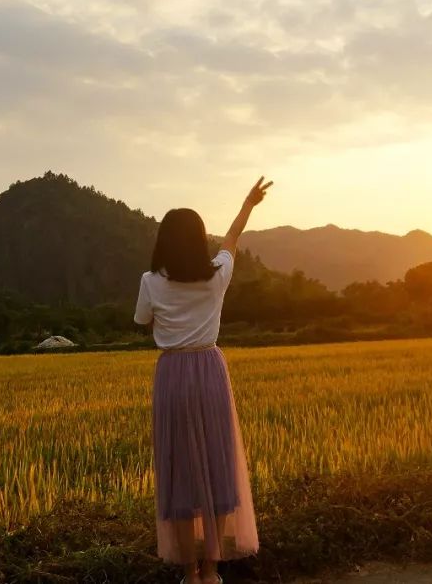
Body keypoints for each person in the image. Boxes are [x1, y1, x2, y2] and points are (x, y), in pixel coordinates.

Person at [134, 177, 272, 584]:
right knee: (217, 465)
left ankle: (189, 573)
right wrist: (249, 202)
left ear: (163, 241)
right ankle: (212, 570)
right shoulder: (217, 276)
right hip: (210, 372)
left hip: (173, 375)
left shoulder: (150, 281)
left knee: (179, 470)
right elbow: (232, 236)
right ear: (198, 240)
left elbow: (142, 320)